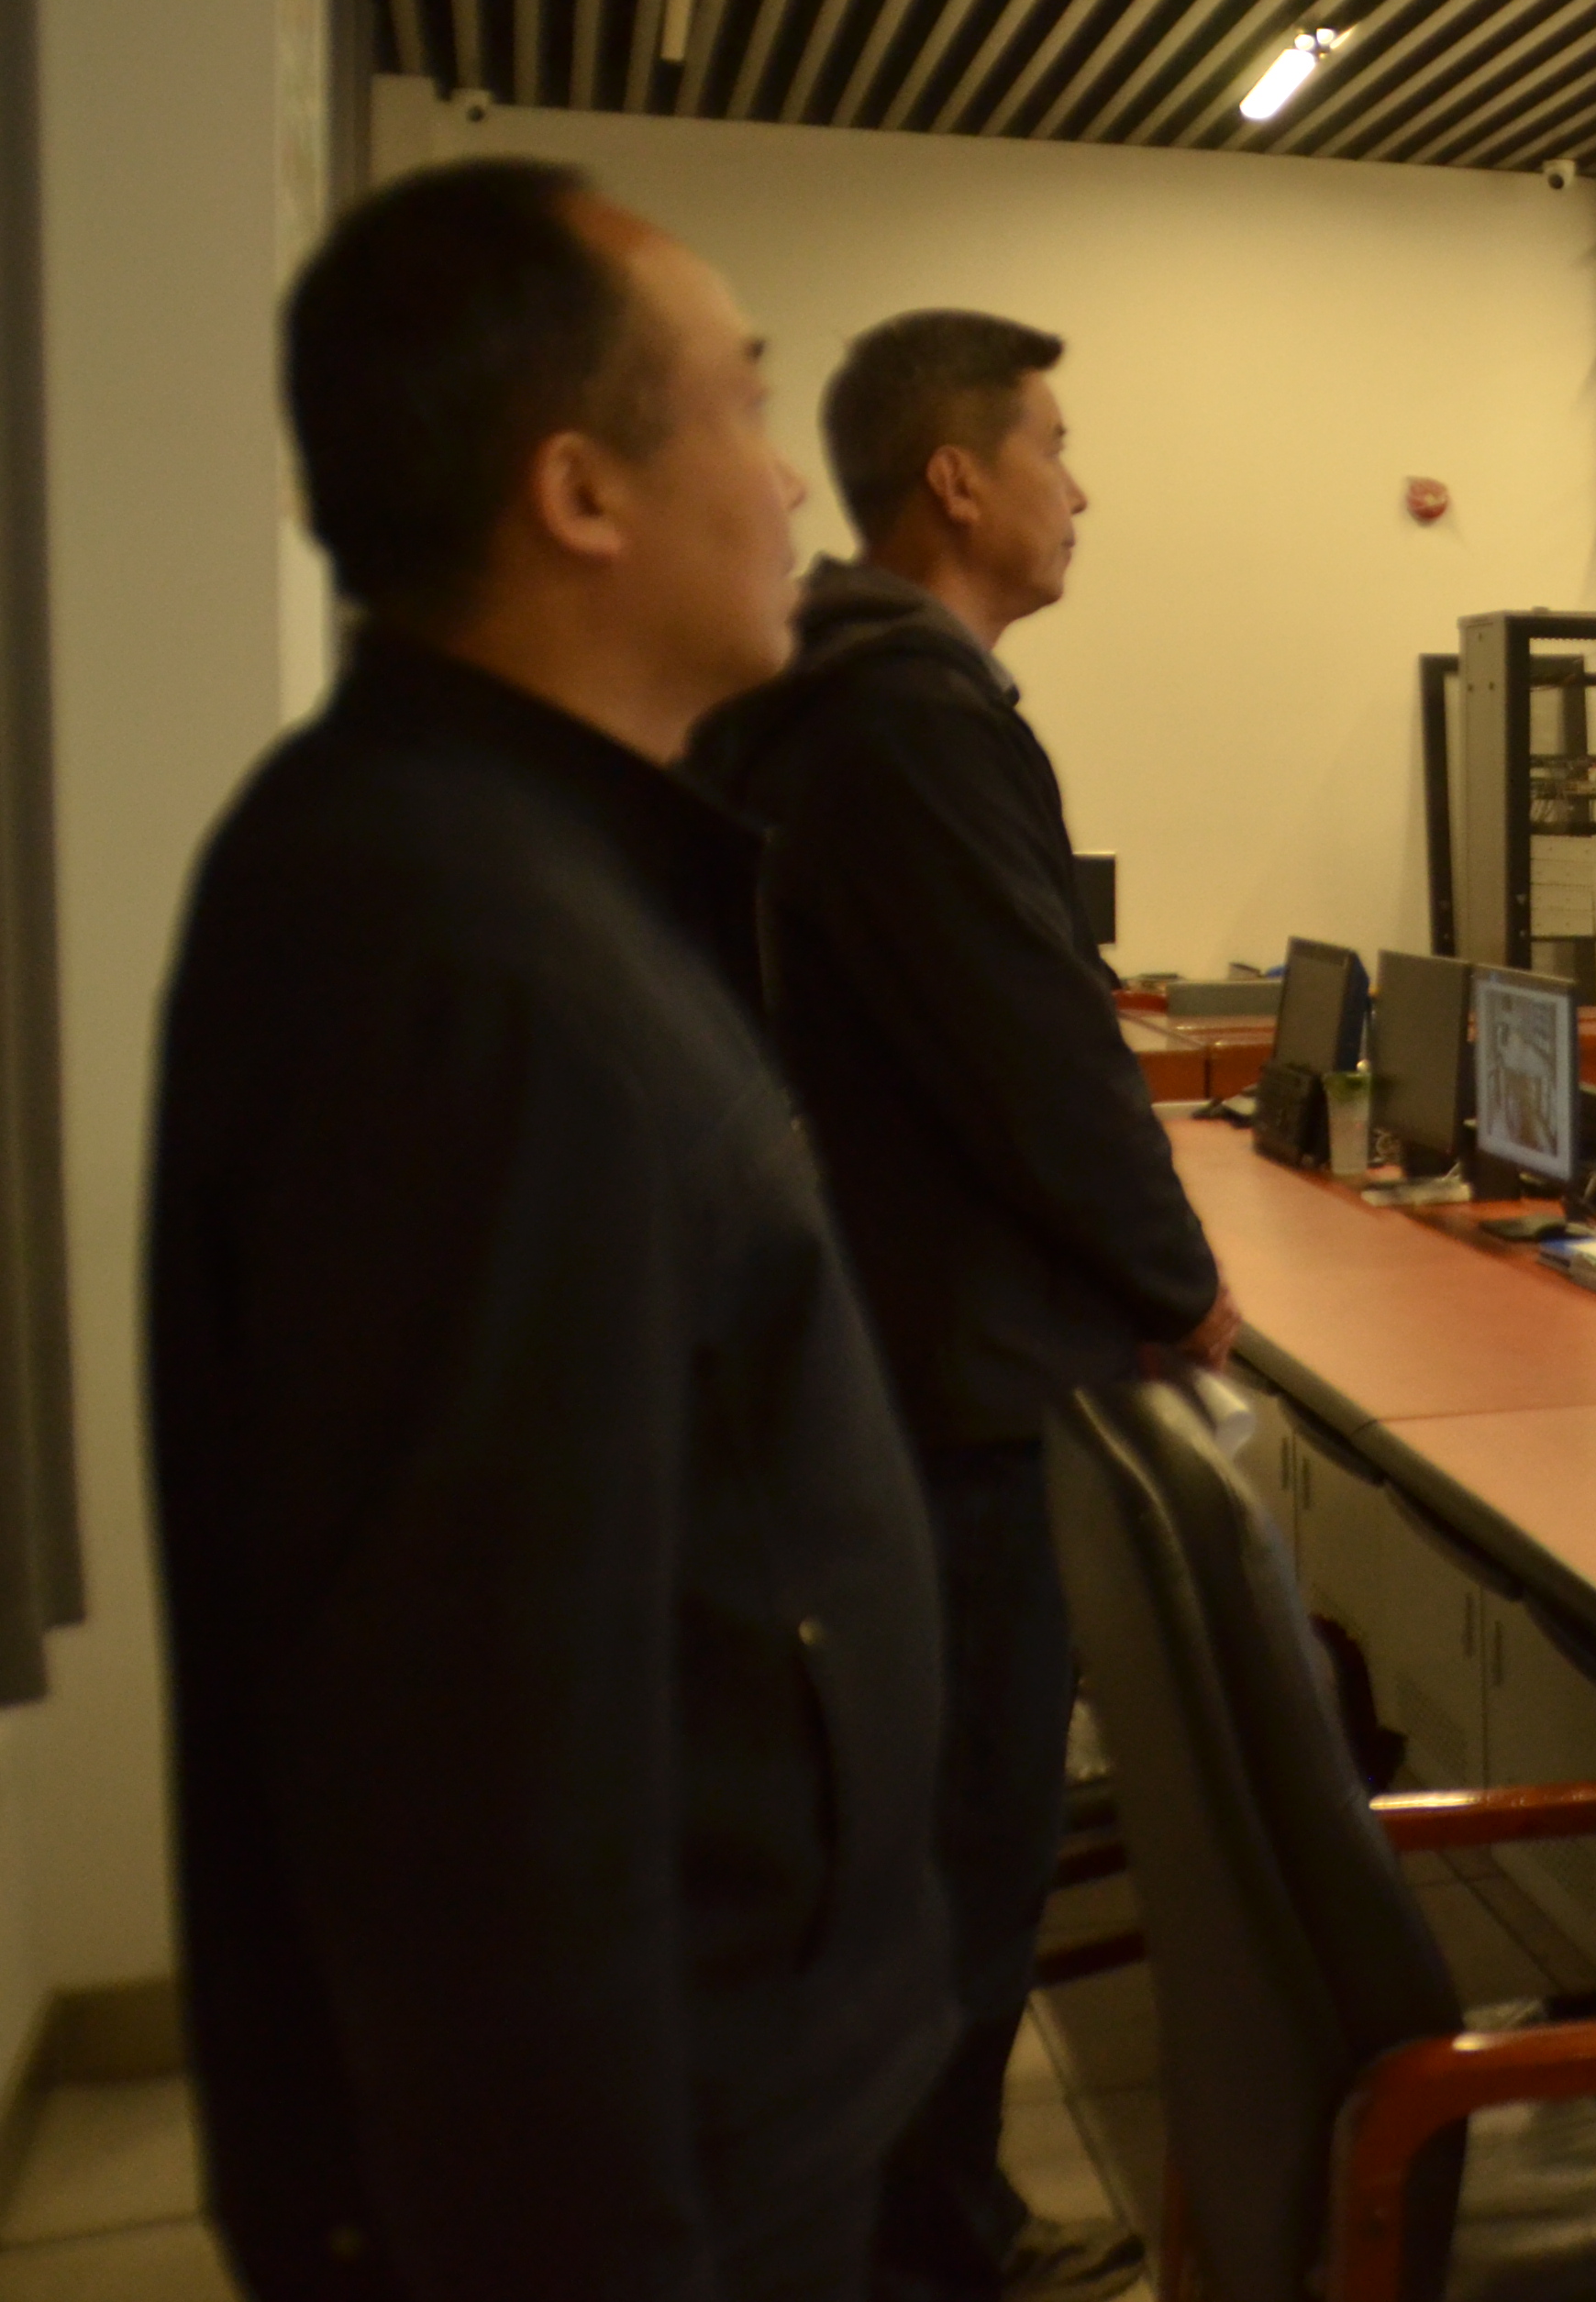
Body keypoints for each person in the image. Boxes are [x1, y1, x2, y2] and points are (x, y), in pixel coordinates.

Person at [150, 160, 947, 2299]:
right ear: (581, 492)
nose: (791, 488)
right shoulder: (464, 967)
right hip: (668, 2171)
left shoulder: (524, 874)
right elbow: (482, 1778)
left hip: (749, 2095)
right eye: (746, 410)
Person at [691, 311, 1229, 2302]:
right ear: (958, 480)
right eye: (1053, 448)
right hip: (957, 1391)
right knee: (963, 1838)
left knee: (930, 1835)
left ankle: (916, 2225)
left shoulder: (839, 696)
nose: (1080, 490)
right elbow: (1032, 1053)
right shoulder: (908, 715)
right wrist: (1181, 1285)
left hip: (882, 1365)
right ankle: (933, 2248)